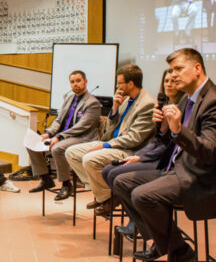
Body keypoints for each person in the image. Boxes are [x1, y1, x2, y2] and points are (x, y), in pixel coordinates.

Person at [114, 48, 216, 262]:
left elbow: (210, 153)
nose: (174, 75)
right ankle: (165, 241)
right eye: (172, 70)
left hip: (203, 178)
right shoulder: (188, 100)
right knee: (121, 181)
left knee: (143, 196)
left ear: (197, 68)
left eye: (179, 69)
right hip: (179, 168)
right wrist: (162, 128)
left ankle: (179, 251)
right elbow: (169, 142)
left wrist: (178, 130)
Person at [65, 64, 155, 216]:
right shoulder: (126, 100)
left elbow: (134, 139)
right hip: (113, 144)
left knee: (89, 159)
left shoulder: (147, 104)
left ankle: (106, 196)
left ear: (130, 83)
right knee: (71, 152)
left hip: (129, 151)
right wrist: (114, 109)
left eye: (119, 82)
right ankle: (107, 195)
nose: (117, 86)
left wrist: (105, 146)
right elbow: (109, 132)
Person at [102, 69, 182, 237]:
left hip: (166, 162)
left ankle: (145, 227)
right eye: (166, 81)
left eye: (173, 81)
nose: (169, 84)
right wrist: (140, 155)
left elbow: (171, 145)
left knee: (117, 176)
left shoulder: (181, 108)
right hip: (155, 155)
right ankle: (139, 222)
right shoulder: (163, 105)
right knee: (108, 171)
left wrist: (142, 156)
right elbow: (157, 140)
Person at [27, 70, 101, 200]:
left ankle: (66, 184)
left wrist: (59, 137)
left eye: (78, 81)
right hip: (64, 136)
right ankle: (45, 179)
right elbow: (59, 120)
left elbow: (81, 127)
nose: (75, 84)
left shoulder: (93, 103)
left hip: (83, 138)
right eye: (72, 82)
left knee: (57, 148)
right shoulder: (69, 98)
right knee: (32, 143)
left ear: (85, 82)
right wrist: (48, 133)